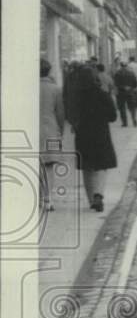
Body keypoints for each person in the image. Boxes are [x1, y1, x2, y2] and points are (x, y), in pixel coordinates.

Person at [73, 65, 118, 212]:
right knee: (102, 165)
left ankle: (91, 199)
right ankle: (98, 194)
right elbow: (113, 116)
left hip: (83, 135)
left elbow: (71, 115)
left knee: (86, 167)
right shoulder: (103, 94)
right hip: (101, 134)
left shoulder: (76, 97)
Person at [39, 58, 65, 211]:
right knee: (49, 165)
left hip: (32, 132)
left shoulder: (27, 88)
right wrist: (60, 131)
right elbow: (61, 114)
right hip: (51, 131)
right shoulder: (56, 89)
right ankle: (48, 199)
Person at [113, 61, 137, 127]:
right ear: (126, 66)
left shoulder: (117, 73)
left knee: (122, 108)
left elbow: (116, 84)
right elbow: (135, 84)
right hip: (130, 92)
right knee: (132, 107)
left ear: (121, 66)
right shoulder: (131, 73)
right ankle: (134, 119)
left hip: (121, 93)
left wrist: (123, 87)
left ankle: (125, 123)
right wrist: (130, 87)